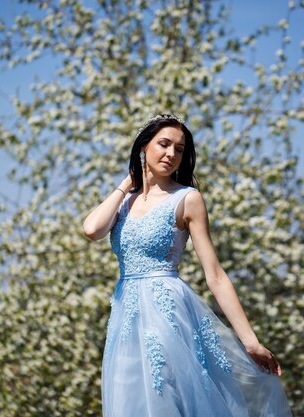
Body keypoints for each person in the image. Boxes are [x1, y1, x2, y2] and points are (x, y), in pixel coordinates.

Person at [83, 114, 293, 416]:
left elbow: (216, 275)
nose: (171, 154)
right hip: (125, 321)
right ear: (144, 147)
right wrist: (127, 181)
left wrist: (251, 342)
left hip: (166, 315)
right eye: (164, 144)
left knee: (166, 399)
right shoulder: (125, 202)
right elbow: (92, 230)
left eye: (179, 149)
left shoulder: (187, 198)